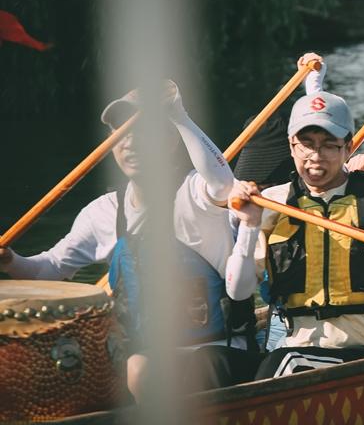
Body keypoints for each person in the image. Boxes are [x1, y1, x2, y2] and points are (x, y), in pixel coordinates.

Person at [0, 81, 254, 399]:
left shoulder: (197, 194)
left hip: (215, 350)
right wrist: (10, 260)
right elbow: (49, 269)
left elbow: (223, 184)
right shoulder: (103, 212)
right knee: (117, 367)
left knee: (194, 367)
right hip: (144, 356)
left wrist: (180, 116)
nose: (130, 143)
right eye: (121, 133)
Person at [225, 90, 364, 379]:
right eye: (306, 144)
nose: (315, 156)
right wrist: (248, 225)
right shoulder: (272, 203)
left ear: (348, 147)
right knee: (213, 362)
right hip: (298, 348)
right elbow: (239, 291)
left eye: (329, 146)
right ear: (291, 146)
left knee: (282, 365)